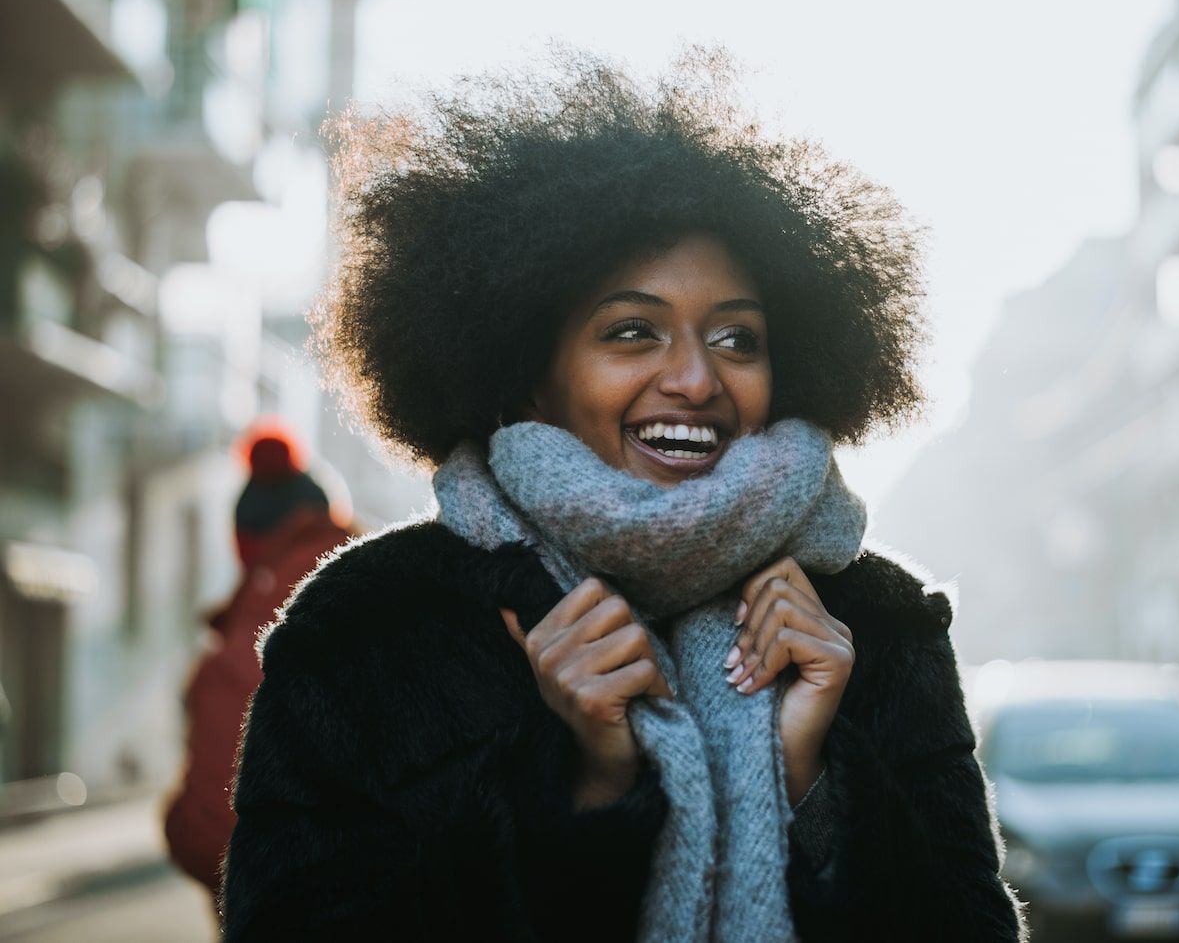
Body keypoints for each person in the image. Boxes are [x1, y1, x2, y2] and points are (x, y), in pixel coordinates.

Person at [220, 50, 1025, 942]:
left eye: (738, 338)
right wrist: (583, 792)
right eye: (633, 330)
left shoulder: (878, 626)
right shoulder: (367, 631)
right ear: (528, 375)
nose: (696, 378)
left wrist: (813, 783)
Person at [163, 425, 349, 897]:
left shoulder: (243, 654)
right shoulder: (400, 590)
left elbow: (213, 835)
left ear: (245, 546)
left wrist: (173, 821)